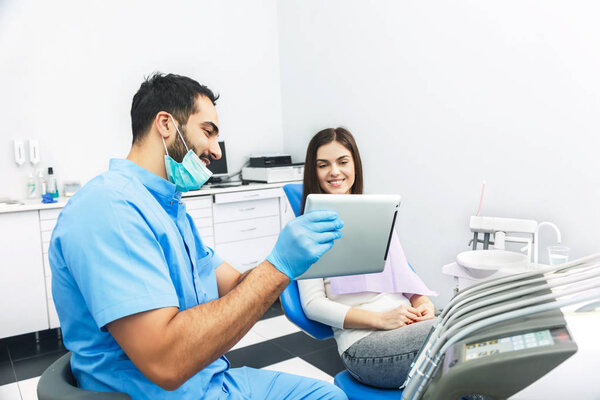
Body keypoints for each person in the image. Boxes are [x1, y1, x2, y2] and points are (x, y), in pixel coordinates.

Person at [48, 73, 347, 400]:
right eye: (208, 132)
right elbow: (167, 362)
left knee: (329, 396)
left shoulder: (170, 209)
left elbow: (235, 286)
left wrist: (296, 259)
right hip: (164, 393)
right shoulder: (108, 208)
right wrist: (278, 267)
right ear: (165, 124)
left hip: (211, 381)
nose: (216, 151)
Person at [298, 127, 438, 389]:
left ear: (355, 165)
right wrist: (381, 320)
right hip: (364, 343)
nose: (334, 172)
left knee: (471, 333)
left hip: (406, 322)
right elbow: (313, 305)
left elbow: (403, 274)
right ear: (313, 171)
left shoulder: (379, 214)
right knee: (459, 339)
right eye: (323, 165)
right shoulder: (307, 229)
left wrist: (422, 302)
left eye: (342, 162)